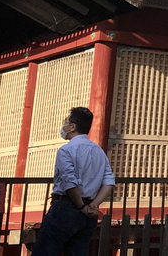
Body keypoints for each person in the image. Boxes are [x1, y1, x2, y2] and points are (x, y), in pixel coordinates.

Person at [33, 107, 115, 256]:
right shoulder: (99, 151)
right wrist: (93, 205)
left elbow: (69, 183)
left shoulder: (66, 150)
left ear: (72, 127)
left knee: (45, 249)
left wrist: (81, 206)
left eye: (65, 121)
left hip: (66, 206)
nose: (63, 125)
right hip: (89, 211)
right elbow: (109, 180)